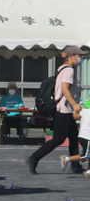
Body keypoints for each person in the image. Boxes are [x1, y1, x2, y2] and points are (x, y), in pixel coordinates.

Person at [27, 46, 86, 175]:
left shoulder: (62, 69)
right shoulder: (69, 70)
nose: (80, 58)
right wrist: (75, 105)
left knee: (73, 137)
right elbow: (65, 89)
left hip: (65, 110)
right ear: (71, 56)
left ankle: (75, 166)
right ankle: (34, 158)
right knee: (58, 139)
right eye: (79, 55)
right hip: (64, 110)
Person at [60, 97, 90, 178]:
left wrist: (75, 109)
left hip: (82, 136)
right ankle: (66, 159)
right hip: (88, 136)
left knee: (87, 155)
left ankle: (88, 172)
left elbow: (75, 116)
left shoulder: (84, 110)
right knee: (85, 156)